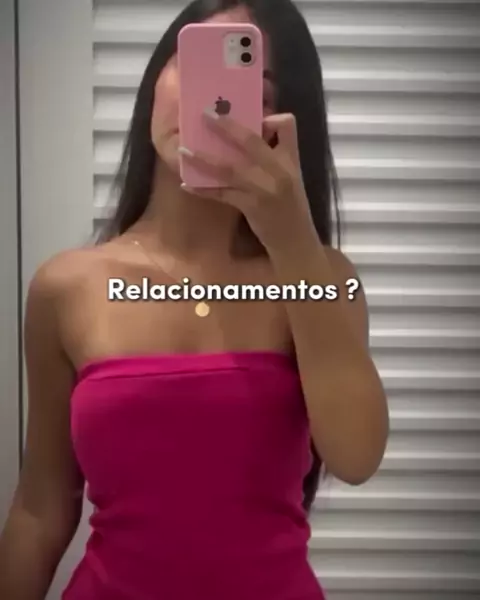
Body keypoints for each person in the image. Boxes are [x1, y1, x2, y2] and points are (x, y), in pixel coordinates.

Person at [0, 0, 389, 598]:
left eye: (253, 84)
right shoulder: (66, 287)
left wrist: (293, 240)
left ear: (283, 123)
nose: (209, 100)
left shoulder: (321, 276)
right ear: (153, 83)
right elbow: (40, 507)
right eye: (193, 63)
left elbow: (357, 456)